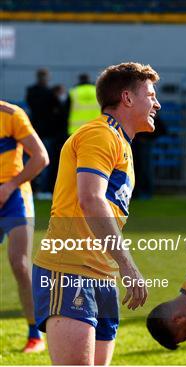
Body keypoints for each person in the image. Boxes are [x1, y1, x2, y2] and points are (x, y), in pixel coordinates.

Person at [32, 62, 161, 365]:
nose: (157, 103)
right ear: (127, 98)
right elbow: (91, 199)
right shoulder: (101, 134)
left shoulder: (122, 143)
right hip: (69, 270)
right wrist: (128, 267)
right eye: (150, 95)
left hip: (101, 275)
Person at [0, 100, 49, 352]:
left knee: (19, 264)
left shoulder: (11, 114)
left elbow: (41, 157)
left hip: (14, 198)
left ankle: (35, 335)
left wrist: (9, 186)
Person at [25, 68, 57, 196]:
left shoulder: (31, 91)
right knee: (44, 160)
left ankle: (33, 188)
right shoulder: (49, 93)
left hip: (34, 130)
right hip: (45, 131)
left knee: (32, 159)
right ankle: (41, 189)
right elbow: (53, 110)